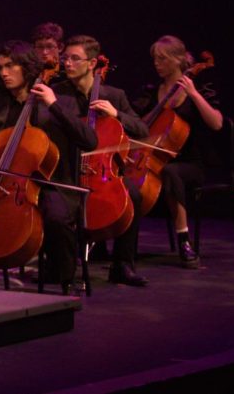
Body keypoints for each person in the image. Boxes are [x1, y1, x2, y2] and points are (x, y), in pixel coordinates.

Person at [0, 40, 94, 288]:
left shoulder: (62, 101)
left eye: (11, 66)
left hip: (53, 183)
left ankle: (62, 274)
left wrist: (53, 105)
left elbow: (89, 140)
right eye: (0, 67)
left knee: (56, 216)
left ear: (28, 67)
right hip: (6, 181)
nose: (3, 73)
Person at [51, 34, 150, 286]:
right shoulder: (56, 95)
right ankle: (61, 266)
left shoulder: (114, 95)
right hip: (67, 171)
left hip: (101, 172)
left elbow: (142, 129)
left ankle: (122, 264)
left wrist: (116, 114)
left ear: (92, 63)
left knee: (133, 196)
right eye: (65, 58)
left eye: (75, 59)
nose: (68, 64)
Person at [138, 35, 223, 269]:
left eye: (162, 59)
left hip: (192, 164)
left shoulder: (200, 87)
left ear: (178, 60)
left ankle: (184, 240)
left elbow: (216, 123)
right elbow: (140, 125)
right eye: (155, 59)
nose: (157, 64)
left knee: (171, 173)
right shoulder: (153, 91)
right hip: (159, 159)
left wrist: (194, 94)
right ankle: (109, 241)